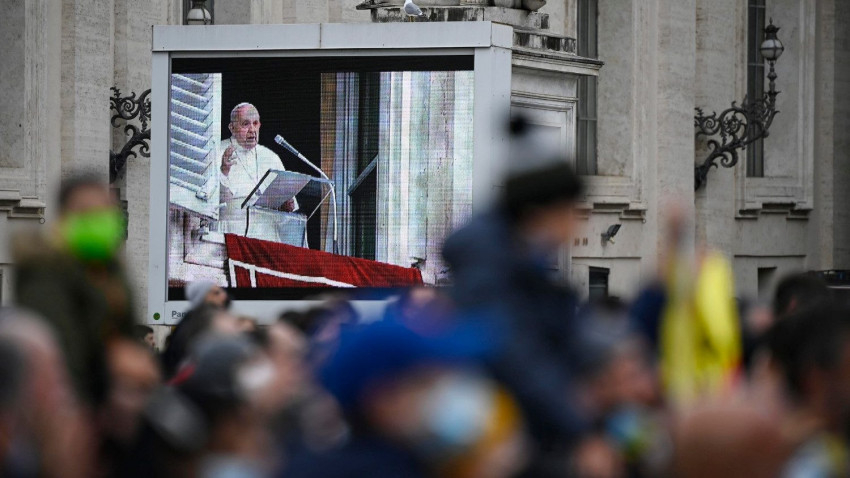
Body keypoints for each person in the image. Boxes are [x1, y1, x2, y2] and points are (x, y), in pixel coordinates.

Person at [442, 116, 613, 477]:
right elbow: (514, 352)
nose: (579, 222)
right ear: (539, 213)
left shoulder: (520, 266)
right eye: (572, 211)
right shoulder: (490, 271)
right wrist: (577, 426)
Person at [13, 172, 136, 407]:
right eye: (87, 212)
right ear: (63, 219)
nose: (99, 220)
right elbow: (63, 359)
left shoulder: (112, 272)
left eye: (106, 212)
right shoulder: (43, 272)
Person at [219, 102, 298, 235]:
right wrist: (224, 171)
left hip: (267, 236)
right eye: (245, 124)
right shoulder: (218, 151)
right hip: (232, 234)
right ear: (232, 128)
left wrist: (286, 206)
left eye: (255, 123)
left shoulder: (271, 157)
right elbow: (211, 203)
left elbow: (289, 210)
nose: (252, 129)